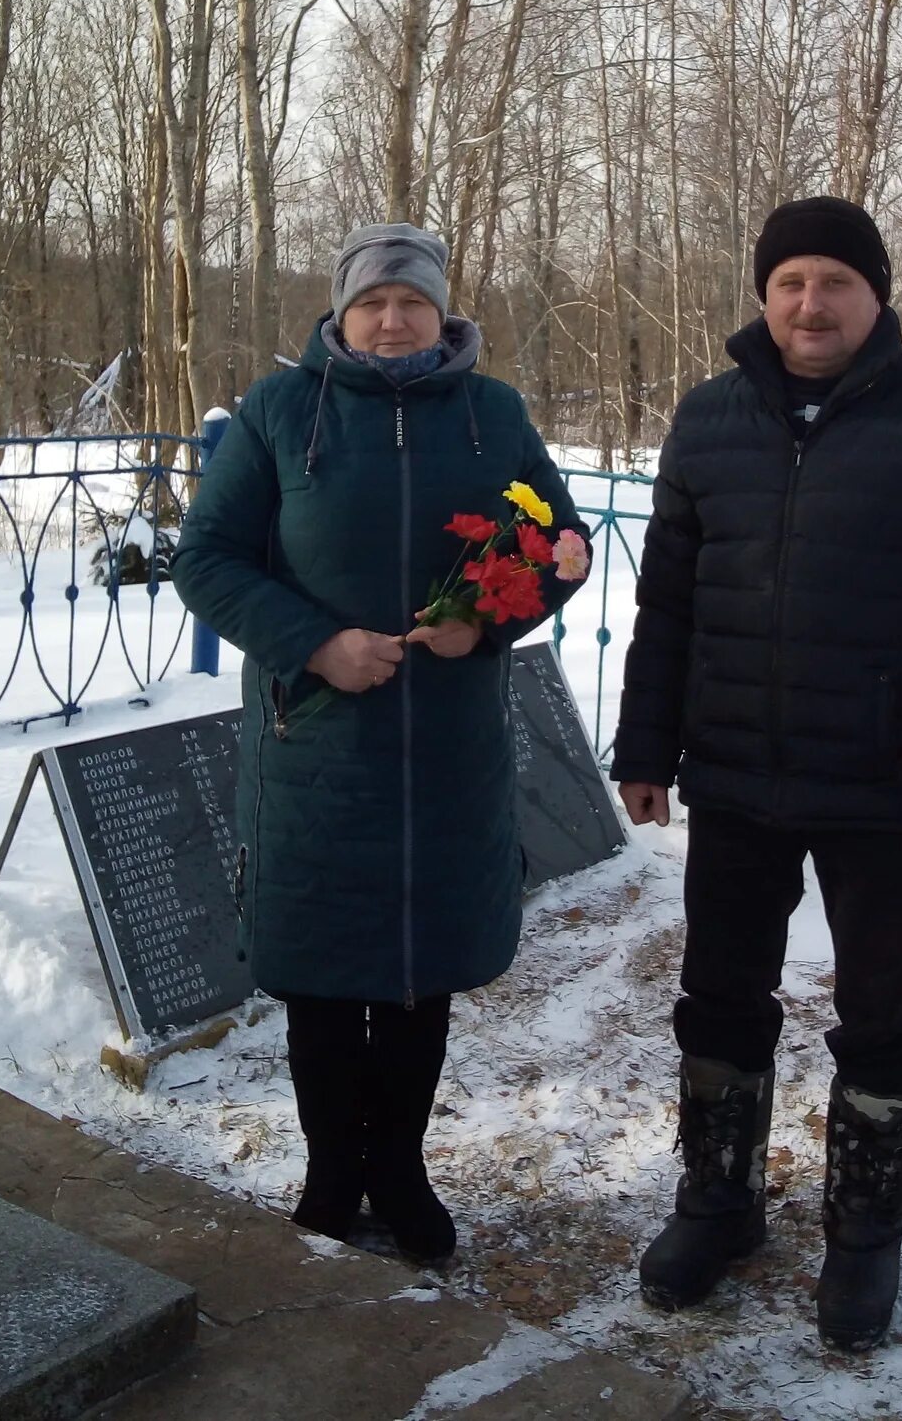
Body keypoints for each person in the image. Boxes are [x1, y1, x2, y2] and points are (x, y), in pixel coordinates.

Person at [609, 196, 902, 1350]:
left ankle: (863, 1232)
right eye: (792, 280)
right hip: (739, 774)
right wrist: (646, 742)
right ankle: (718, 1201)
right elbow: (668, 601)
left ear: (876, 295)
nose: (812, 304)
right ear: (764, 293)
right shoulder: (708, 420)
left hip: (881, 782)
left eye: (836, 283)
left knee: (875, 1007)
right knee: (718, 995)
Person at [172, 222, 588, 1265]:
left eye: (413, 300)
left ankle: (398, 1172)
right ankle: (330, 1172)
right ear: (341, 313)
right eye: (373, 302)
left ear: (442, 312)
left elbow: (561, 540)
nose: (394, 317)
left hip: (448, 748)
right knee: (321, 972)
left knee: (416, 973)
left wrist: (488, 619)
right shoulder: (278, 414)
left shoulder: (492, 414)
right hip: (316, 745)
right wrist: (316, 643)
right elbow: (208, 560)